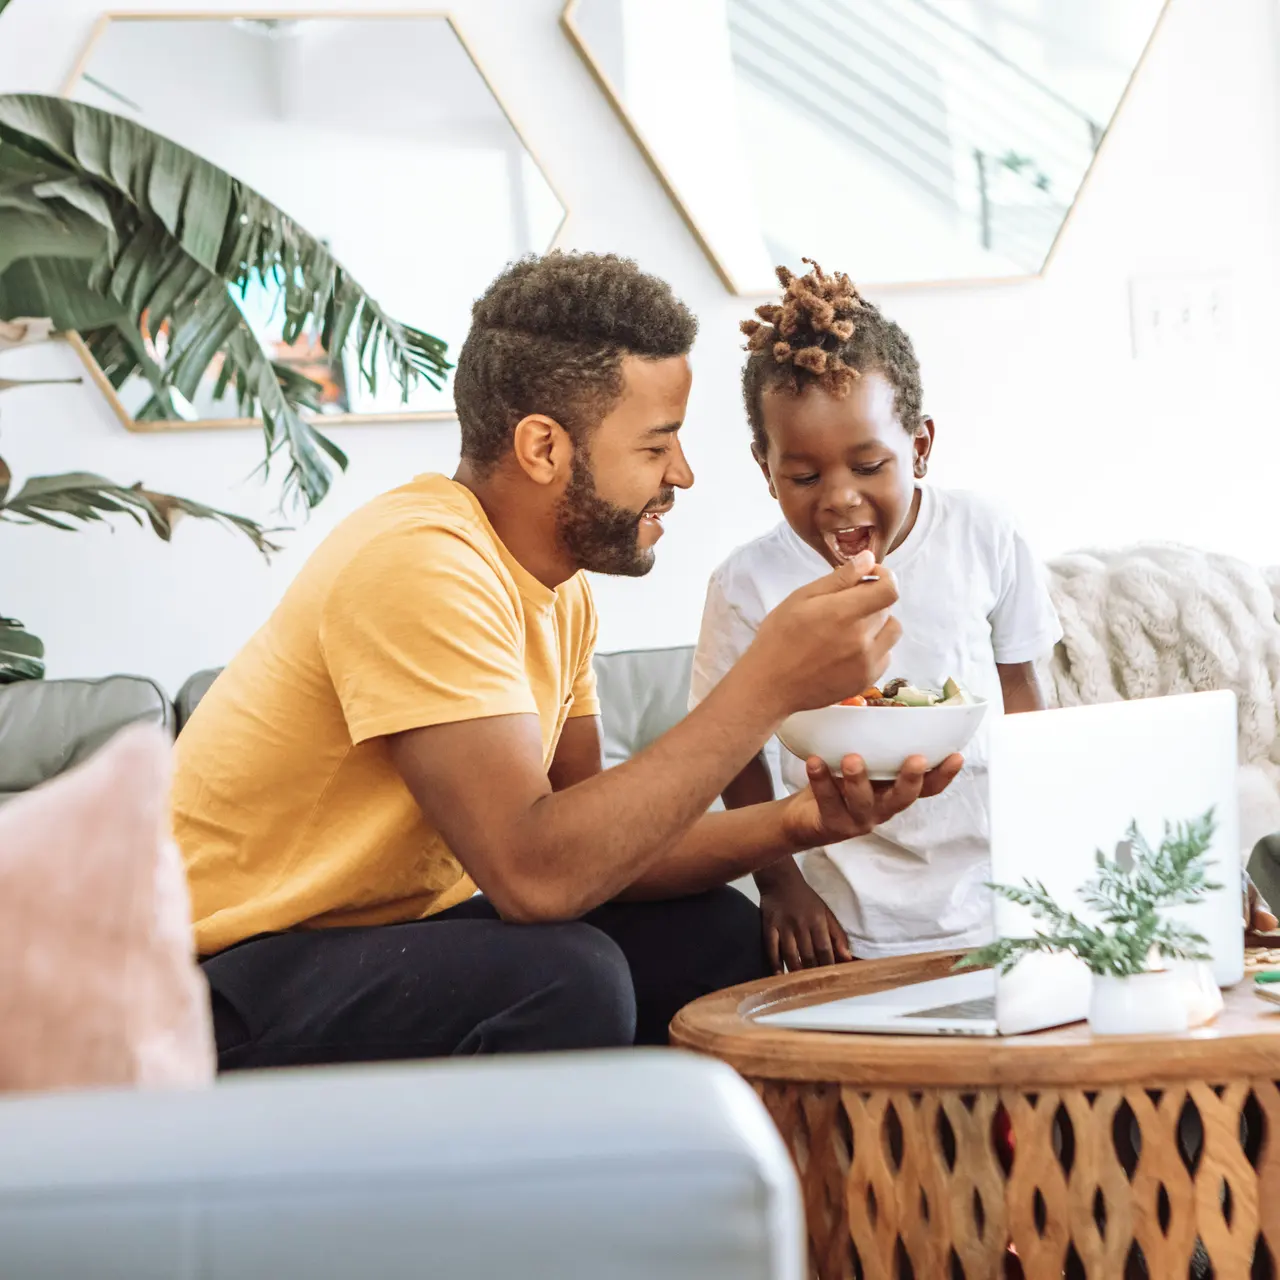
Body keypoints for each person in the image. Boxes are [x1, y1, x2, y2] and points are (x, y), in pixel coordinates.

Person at [173, 251, 961, 1069]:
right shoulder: (420, 564)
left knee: (718, 937)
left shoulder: (560, 592)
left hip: (364, 948)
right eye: (657, 446)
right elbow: (535, 876)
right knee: (566, 979)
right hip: (215, 981)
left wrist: (800, 823)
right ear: (544, 448)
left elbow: (599, 848)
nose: (683, 475)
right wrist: (769, 684)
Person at [689, 261, 1063, 973]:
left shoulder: (984, 532)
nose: (839, 499)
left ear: (918, 447)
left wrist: (1051, 849)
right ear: (764, 467)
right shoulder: (746, 585)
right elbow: (732, 751)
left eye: (869, 466)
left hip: (997, 896)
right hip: (847, 918)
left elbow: (1023, 689)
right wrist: (781, 886)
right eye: (803, 476)